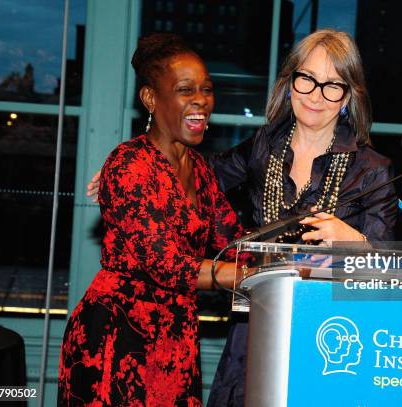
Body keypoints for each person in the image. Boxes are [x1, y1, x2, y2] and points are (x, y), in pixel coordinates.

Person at [86, 29, 397, 406]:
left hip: (329, 336)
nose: (316, 95)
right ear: (290, 83)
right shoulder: (264, 146)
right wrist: (139, 165)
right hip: (255, 330)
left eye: (332, 85)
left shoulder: (373, 170)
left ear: (348, 95)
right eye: (307, 79)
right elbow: (200, 175)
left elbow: (388, 277)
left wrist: (353, 241)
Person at [58, 33, 244, 406]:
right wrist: (241, 275)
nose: (200, 100)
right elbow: (169, 267)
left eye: (206, 89)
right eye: (184, 89)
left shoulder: (201, 171)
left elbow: (236, 241)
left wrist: (291, 257)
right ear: (150, 98)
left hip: (176, 340)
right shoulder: (128, 166)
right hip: (117, 338)